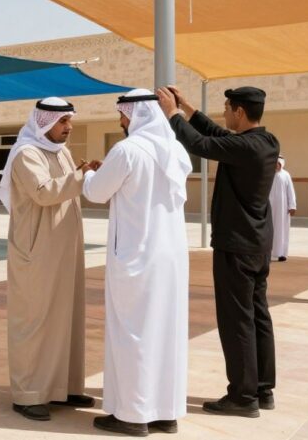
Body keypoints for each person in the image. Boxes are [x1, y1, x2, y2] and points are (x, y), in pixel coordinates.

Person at [159, 85, 279, 417]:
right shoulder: (266, 142)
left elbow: (201, 144)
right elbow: (215, 134)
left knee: (237, 319)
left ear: (239, 112)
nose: (224, 114)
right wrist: (189, 108)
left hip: (236, 246)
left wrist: (172, 113)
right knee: (258, 316)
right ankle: (262, 389)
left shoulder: (244, 147)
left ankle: (242, 397)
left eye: (227, 108)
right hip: (256, 244)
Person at [82, 90, 191, 436]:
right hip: (170, 258)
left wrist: (88, 175)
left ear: (137, 114)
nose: (121, 121)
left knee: (133, 333)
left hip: (136, 256)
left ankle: (132, 415)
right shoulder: (175, 150)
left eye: (124, 115)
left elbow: (96, 193)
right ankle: (165, 412)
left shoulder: (128, 150)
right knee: (165, 331)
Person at [0, 97, 95, 422]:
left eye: (70, 121)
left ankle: (63, 388)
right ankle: (28, 393)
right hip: (37, 251)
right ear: (44, 122)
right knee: (36, 321)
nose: (68, 128)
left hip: (65, 250)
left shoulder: (63, 153)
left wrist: (83, 174)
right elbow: (44, 192)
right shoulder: (27, 154)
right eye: (62, 122)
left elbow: (69, 185)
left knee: (66, 317)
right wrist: (82, 176)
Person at [270, 157, 297, 262]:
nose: (276, 165)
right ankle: (268, 252)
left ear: (281, 164)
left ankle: (282, 253)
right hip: (269, 206)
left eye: (278, 163)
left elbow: (291, 191)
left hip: (282, 208)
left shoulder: (286, 175)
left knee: (282, 230)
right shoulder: (268, 174)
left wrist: (292, 206)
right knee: (269, 229)